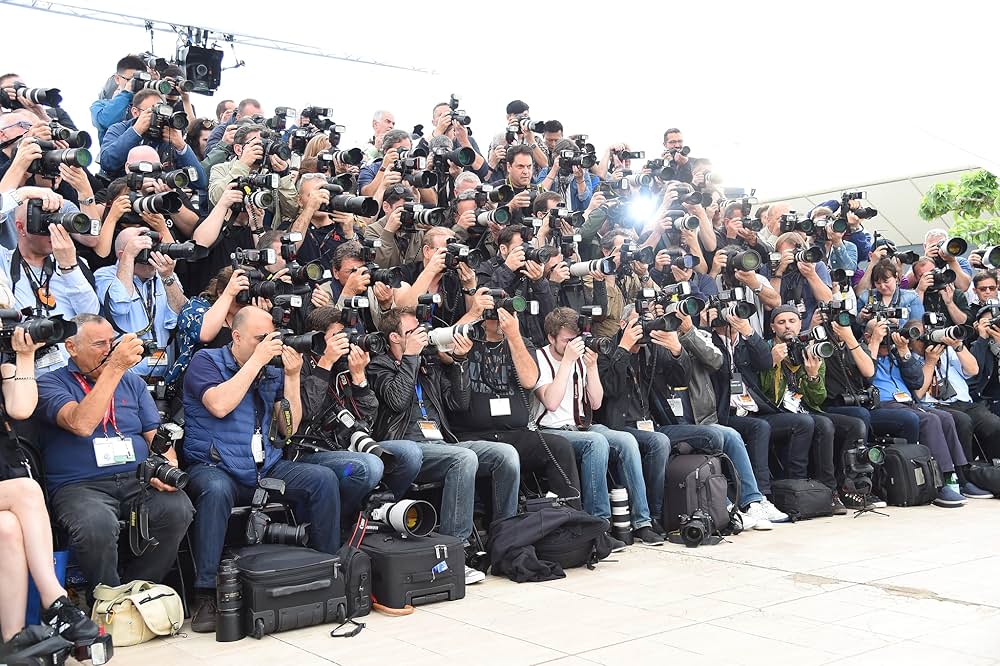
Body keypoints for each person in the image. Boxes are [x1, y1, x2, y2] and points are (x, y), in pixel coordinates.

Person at [183, 306, 346, 632]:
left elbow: (289, 428)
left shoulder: (271, 370)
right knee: (215, 491)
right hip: (215, 466)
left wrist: (292, 377)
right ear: (237, 336)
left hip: (264, 466)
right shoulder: (206, 361)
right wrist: (256, 361)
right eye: (260, 339)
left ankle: (326, 571)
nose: (267, 345)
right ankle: (205, 594)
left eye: (270, 338)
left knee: (323, 479)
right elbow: (219, 404)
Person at [36, 315, 194, 591]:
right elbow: (81, 423)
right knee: (95, 525)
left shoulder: (131, 383)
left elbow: (155, 436)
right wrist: (115, 368)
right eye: (99, 344)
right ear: (71, 347)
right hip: (81, 486)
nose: (109, 350)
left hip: (136, 479)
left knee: (177, 507)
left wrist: (167, 467)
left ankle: (138, 591)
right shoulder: (51, 384)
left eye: (112, 342)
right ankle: (107, 597)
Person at [369, 307, 520, 584]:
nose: (421, 336)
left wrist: (460, 362)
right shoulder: (378, 365)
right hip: (406, 446)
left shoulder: (429, 365)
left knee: (505, 454)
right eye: (413, 332)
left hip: (442, 443)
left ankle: (507, 539)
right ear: (394, 337)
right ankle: (455, 551)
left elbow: (457, 404)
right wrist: (411, 357)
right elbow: (396, 401)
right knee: (463, 459)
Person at [0, 326, 100, 654]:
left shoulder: (4, 362)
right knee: (27, 491)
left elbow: (21, 408)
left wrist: (25, 355)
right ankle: (54, 599)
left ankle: (13, 640)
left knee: (8, 529)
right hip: (13, 488)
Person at [533, 307, 663, 543]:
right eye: (567, 341)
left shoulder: (581, 357)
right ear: (551, 338)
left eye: (577, 340)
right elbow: (551, 402)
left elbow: (596, 402)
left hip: (582, 426)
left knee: (627, 441)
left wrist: (591, 368)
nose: (574, 345)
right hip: (550, 430)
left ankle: (642, 521)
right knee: (597, 442)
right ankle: (599, 526)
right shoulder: (540, 358)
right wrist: (567, 363)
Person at [449, 295, 583, 509]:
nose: (502, 317)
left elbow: (529, 379)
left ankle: (573, 520)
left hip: (515, 432)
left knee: (560, 446)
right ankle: (507, 528)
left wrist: (513, 335)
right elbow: (442, 349)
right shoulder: (468, 337)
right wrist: (474, 312)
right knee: (502, 456)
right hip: (474, 434)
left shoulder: (520, 342)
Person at [761, 306, 866, 513]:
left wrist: (812, 376)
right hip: (777, 411)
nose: (787, 326)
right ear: (773, 327)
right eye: (781, 322)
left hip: (806, 408)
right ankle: (827, 489)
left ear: (801, 324)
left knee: (856, 424)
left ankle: (847, 485)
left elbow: (818, 398)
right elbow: (766, 394)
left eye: (792, 321)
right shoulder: (766, 349)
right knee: (823, 424)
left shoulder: (811, 349)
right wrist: (772, 363)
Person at [863, 318, 970, 507]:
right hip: (881, 405)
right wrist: (875, 343)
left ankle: (959, 477)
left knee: (945, 417)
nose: (888, 337)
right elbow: (866, 377)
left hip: (907, 402)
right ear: (868, 336)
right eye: (883, 333)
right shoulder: (862, 353)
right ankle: (939, 482)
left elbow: (917, 382)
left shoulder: (897, 354)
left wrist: (904, 351)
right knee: (927, 420)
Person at [0, 198, 100, 375]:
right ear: (21, 228)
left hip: (70, 375)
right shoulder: (3, 261)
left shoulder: (75, 264)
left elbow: (90, 316)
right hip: (22, 376)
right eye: (45, 222)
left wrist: (69, 266)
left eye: (57, 221)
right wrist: (25, 194)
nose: (54, 230)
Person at [94, 227, 187, 379]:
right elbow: (119, 306)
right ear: (122, 255)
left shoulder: (165, 275)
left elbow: (180, 317)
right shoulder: (105, 275)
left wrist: (167, 276)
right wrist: (129, 257)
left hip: (164, 379)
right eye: (144, 251)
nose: (152, 258)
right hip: (123, 378)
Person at [99, 89, 206, 182]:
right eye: (153, 112)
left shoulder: (170, 135)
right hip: (126, 191)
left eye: (162, 112)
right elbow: (107, 162)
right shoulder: (120, 129)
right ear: (135, 112)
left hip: (163, 196)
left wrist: (182, 147)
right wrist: (135, 132)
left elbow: (200, 181)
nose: (158, 118)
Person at [89, 55, 148, 145]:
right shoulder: (100, 105)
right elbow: (107, 121)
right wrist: (126, 93)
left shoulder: (148, 105)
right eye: (130, 79)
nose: (136, 84)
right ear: (117, 79)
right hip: (116, 156)